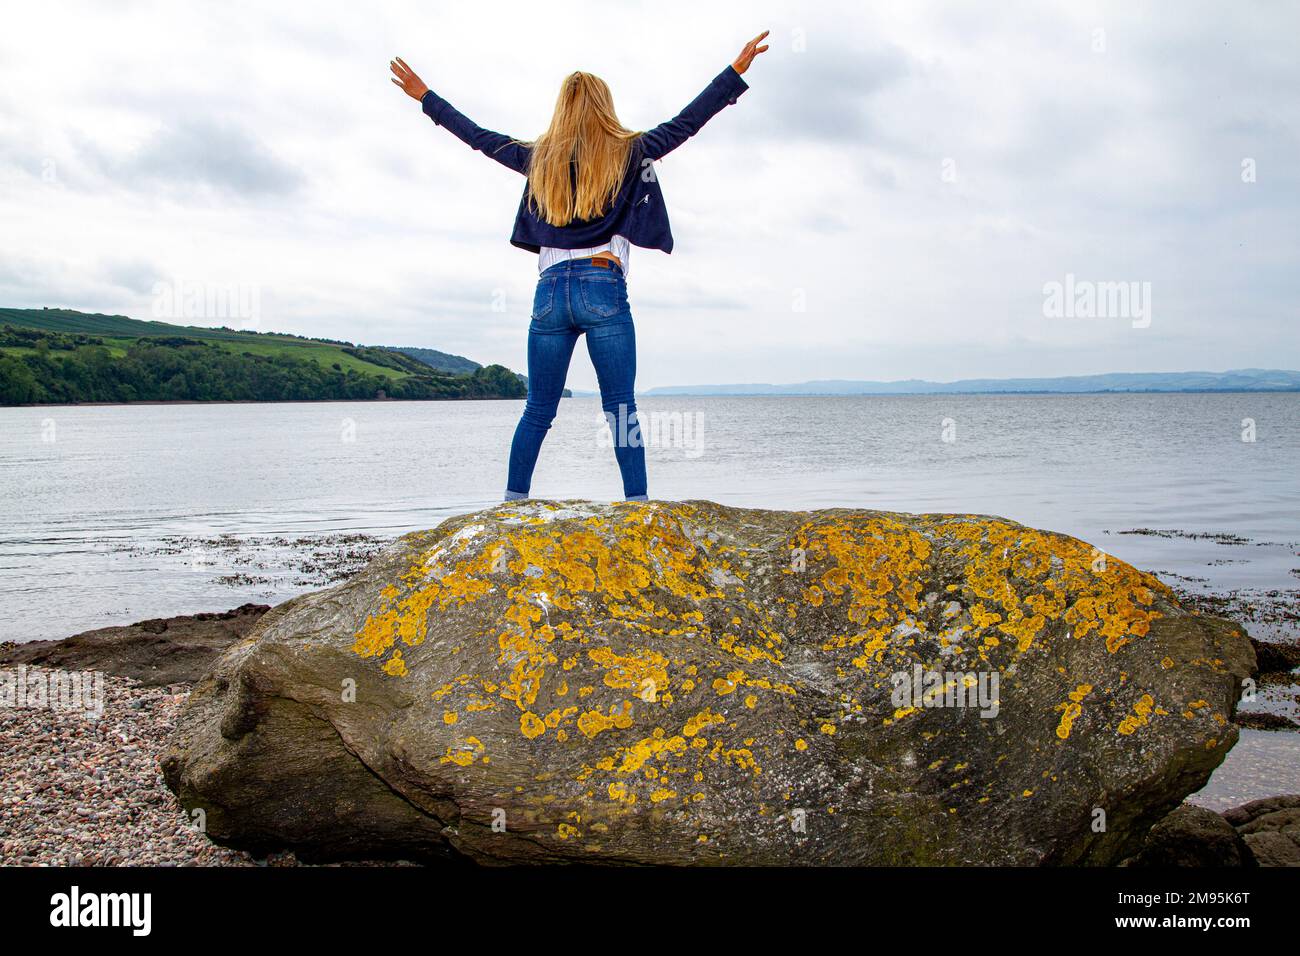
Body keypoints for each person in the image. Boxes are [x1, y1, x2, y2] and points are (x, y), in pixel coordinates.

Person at [390, 32, 769, 501]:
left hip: (549, 294)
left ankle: (512, 505)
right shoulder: (631, 152)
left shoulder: (538, 160)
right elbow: (688, 122)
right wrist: (734, 73)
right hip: (602, 286)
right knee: (620, 409)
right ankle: (637, 509)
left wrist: (426, 97)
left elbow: (479, 139)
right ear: (604, 108)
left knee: (537, 409)